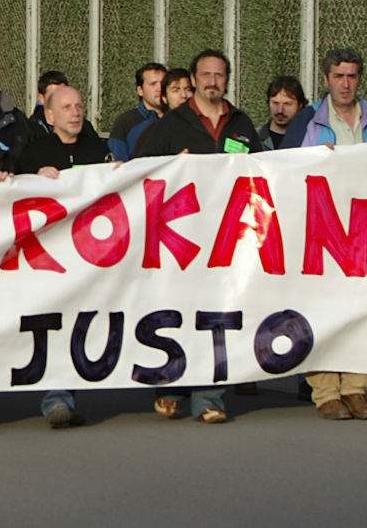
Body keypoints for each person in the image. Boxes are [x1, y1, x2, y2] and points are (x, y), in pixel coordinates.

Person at [280, 49, 367, 421]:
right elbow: (284, 169)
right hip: (320, 231)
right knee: (320, 308)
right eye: (339, 76)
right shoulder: (309, 120)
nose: (345, 83)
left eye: (352, 76)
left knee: (364, 308)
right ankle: (325, 391)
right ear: (326, 79)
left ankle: (356, 388)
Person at [134, 49, 260, 425]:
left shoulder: (241, 123)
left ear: (228, 79)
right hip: (182, 239)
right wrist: (174, 167)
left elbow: (265, 169)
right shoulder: (172, 124)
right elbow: (141, 170)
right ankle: (172, 387)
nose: (213, 81)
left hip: (227, 239)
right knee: (179, 312)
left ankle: (209, 396)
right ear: (194, 79)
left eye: (219, 75)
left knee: (215, 315)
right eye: (206, 74)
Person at [14, 84, 113, 428]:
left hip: (91, 258)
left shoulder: (98, 149)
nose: (75, 112)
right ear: (50, 115)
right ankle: (56, 397)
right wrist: (31, 180)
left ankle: (68, 391)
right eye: (67, 107)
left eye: (79, 105)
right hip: (49, 260)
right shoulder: (33, 153)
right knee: (54, 324)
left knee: (81, 323)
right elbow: (8, 194)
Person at [108, 62, 167, 161]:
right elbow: (119, 165)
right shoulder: (125, 123)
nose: (160, 88)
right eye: (153, 84)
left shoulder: (178, 118)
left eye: (163, 83)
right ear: (140, 90)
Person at [260, 76, 306, 150]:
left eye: (287, 104)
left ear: (300, 105)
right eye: (275, 103)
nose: (280, 110)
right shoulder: (254, 138)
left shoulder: (310, 139)